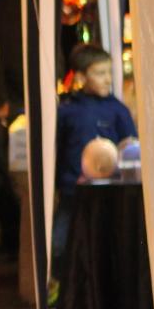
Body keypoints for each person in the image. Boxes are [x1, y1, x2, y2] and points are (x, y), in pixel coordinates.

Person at [52, 44, 137, 262]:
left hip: (109, 192)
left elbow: (130, 146)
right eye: (100, 73)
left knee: (103, 246)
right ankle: (61, 291)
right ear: (80, 77)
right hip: (73, 192)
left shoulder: (118, 110)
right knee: (59, 246)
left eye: (109, 72)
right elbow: (57, 150)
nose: (108, 79)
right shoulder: (66, 110)